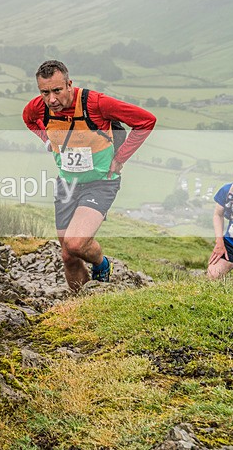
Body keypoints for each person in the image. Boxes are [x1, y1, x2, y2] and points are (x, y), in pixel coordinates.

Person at [22, 60, 156, 291]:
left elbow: (146, 120)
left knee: (75, 243)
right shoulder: (39, 107)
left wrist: (120, 158)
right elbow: (28, 118)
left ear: (69, 85)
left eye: (57, 90)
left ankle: (102, 264)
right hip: (67, 184)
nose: (52, 99)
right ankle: (83, 302)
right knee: (68, 256)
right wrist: (47, 140)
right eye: (45, 92)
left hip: (100, 184)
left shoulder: (96, 103)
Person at [207, 158, 233, 279]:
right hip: (231, 244)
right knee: (212, 275)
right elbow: (218, 215)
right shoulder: (228, 190)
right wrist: (219, 242)